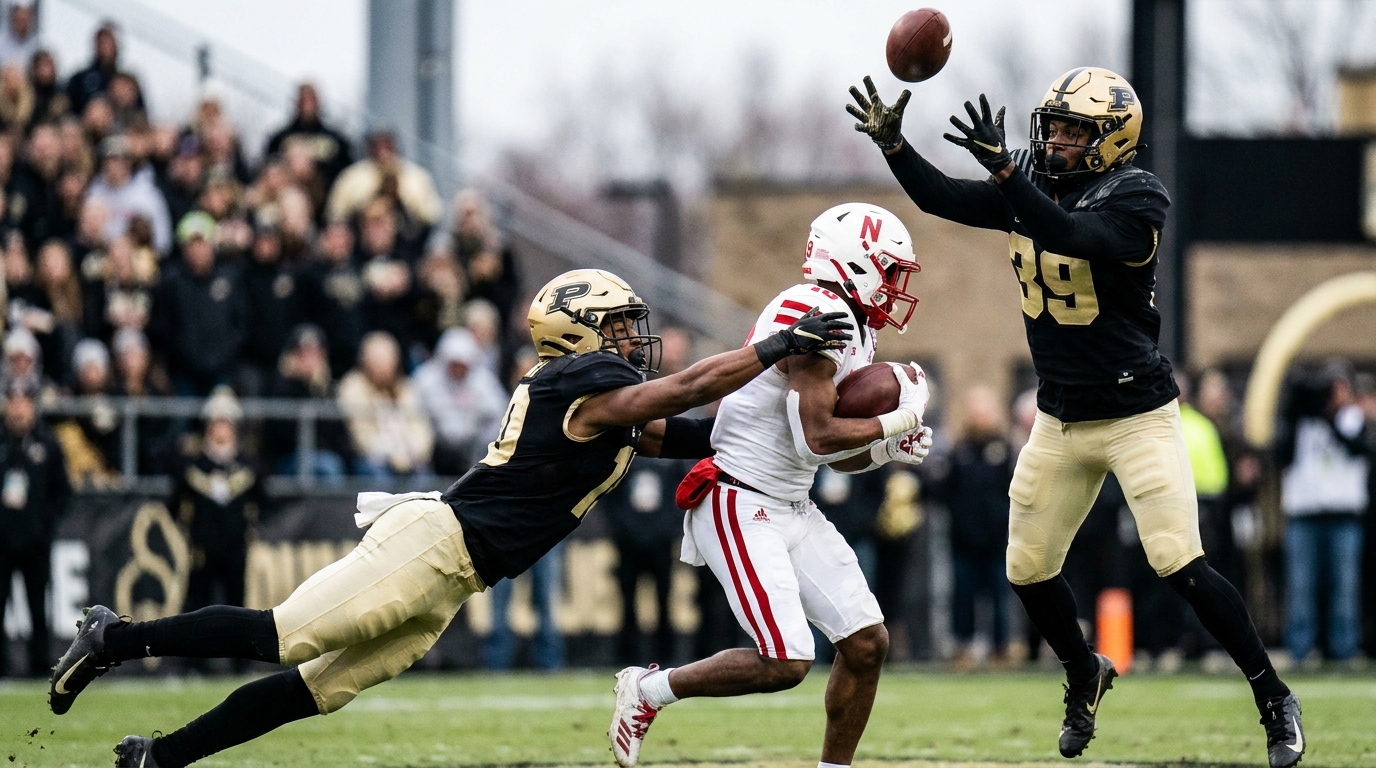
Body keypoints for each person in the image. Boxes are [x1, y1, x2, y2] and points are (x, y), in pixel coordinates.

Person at [46, 267, 851, 768]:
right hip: (434, 546)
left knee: (311, 690)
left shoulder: (609, 406)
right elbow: (674, 396)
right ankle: (114, 638)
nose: (633, 340)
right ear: (576, 334)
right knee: (282, 633)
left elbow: (704, 433)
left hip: (453, 576)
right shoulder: (579, 385)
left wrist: (832, 427)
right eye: (617, 327)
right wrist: (773, 346)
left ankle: (161, 758)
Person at [848, 68, 1303, 765]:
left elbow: (1065, 231)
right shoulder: (1029, 180)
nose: (1055, 140)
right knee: (1026, 568)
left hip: (1136, 413)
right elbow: (943, 199)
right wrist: (896, 147)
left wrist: (1008, 175)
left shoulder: (1136, 195)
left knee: (1177, 561)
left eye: (1074, 130)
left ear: (1111, 139)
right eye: (1053, 126)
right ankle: (1084, 671)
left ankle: (1272, 694)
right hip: (1060, 417)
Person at [609, 203, 933, 768]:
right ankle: (647, 690)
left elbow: (835, 460)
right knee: (786, 660)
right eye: (887, 269)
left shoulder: (853, 326)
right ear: (854, 263)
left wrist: (883, 449)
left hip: (790, 501)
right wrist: (894, 421)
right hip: (738, 497)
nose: (893, 285)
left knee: (865, 643)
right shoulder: (815, 309)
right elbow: (818, 437)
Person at [1277, 360, 1368, 667]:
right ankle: (1300, 651)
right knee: (1301, 588)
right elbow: (1282, 456)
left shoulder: (1354, 419)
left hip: (1344, 516)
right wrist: (1294, 412)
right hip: (1304, 515)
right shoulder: (1301, 421)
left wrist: (1329, 417)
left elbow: (1357, 447)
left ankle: (1344, 650)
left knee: (1344, 587)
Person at [930, 385, 1016, 670]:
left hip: (997, 542)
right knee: (962, 600)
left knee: (999, 599)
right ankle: (963, 648)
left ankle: (1000, 650)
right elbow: (944, 492)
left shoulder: (1005, 451)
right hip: (963, 542)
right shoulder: (959, 451)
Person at [169, 389, 266, 621]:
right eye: (216, 422)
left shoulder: (249, 466)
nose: (220, 428)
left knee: (238, 610)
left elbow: (263, 503)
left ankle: (239, 657)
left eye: (226, 423)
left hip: (236, 548)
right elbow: (174, 504)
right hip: (201, 550)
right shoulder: (193, 465)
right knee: (196, 609)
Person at [0, 378, 71, 677]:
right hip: (1, 541)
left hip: (35, 542)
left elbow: (63, 491)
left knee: (38, 607)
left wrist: (44, 524)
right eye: (13, 403)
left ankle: (40, 665)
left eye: (24, 403)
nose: (18, 410)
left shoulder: (48, 443)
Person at [149, 212, 246, 396]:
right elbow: (163, 326)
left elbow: (241, 323)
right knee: (181, 421)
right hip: (183, 372)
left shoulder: (230, 277)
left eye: (202, 243)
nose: (197, 250)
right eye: (191, 244)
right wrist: (183, 355)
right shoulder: (171, 282)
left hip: (223, 371)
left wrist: (223, 357)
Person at [336, 331, 434, 480]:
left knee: (424, 475)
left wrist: (414, 452)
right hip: (371, 456)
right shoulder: (353, 387)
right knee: (377, 472)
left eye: (386, 362)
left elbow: (421, 429)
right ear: (365, 361)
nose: (382, 368)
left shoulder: (406, 388)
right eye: (377, 362)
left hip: (408, 454)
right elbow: (360, 436)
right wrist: (392, 454)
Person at [413, 327, 508, 475]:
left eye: (462, 365)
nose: (458, 370)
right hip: (437, 445)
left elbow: (500, 411)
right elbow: (416, 412)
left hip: (473, 447)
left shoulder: (482, 381)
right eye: (454, 364)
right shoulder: (426, 380)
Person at [264, 83, 354, 188]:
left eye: (311, 100)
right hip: (288, 192)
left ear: (319, 102)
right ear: (296, 103)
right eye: (304, 101)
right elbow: (269, 168)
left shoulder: (337, 141)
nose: (308, 106)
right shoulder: (279, 139)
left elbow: (346, 173)